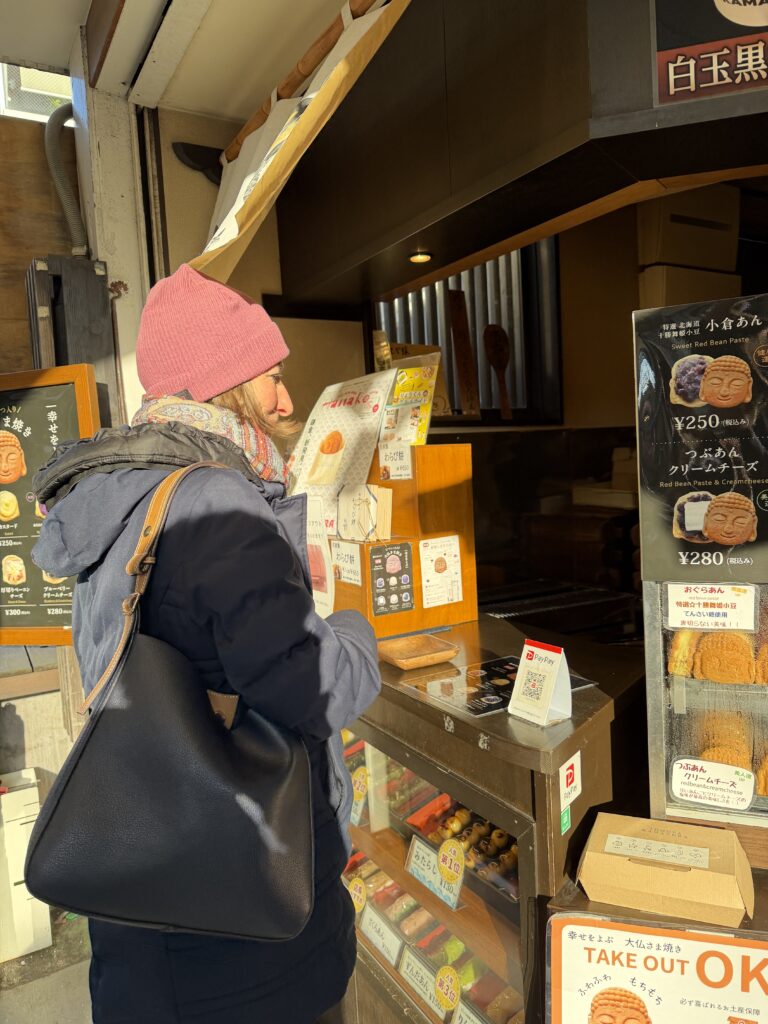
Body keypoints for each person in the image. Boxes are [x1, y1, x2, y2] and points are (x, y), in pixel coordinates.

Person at [31, 264, 382, 1024]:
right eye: (271, 377)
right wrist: (354, 627)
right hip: (244, 941)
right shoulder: (217, 499)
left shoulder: (121, 488)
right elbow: (312, 687)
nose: (287, 400)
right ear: (218, 385)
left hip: (150, 915)